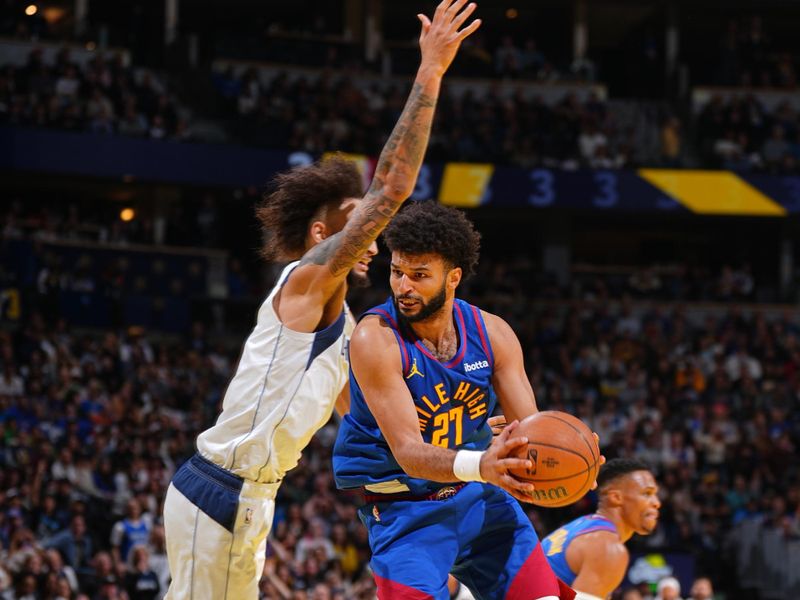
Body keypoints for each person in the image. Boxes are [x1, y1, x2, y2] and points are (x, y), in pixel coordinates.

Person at [161, 1, 482, 598]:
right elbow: (391, 186)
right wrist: (430, 72)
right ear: (320, 234)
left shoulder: (350, 331)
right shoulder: (305, 282)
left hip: (237, 494)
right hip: (229, 490)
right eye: (358, 226)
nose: (373, 242)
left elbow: (377, 427)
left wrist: (470, 441)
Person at [333, 201, 575, 600]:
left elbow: (532, 431)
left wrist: (565, 451)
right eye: (397, 272)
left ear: (453, 277)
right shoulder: (375, 338)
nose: (403, 287)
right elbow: (410, 451)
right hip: (406, 512)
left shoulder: (493, 333)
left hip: (482, 499)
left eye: (419, 275)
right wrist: (483, 463)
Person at [541, 459, 660, 600]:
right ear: (616, 497)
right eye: (647, 493)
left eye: (655, 494)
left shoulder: (582, 525)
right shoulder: (607, 548)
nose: (657, 503)